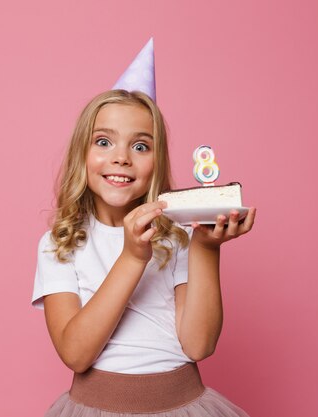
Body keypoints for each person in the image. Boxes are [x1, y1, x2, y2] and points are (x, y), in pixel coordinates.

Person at [32, 89, 256, 416]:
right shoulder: (59, 244)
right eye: (104, 142)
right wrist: (133, 257)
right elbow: (76, 354)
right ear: (81, 153)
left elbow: (199, 344)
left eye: (140, 146)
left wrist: (206, 247)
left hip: (184, 405)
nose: (122, 157)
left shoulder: (176, 238)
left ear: (157, 161)